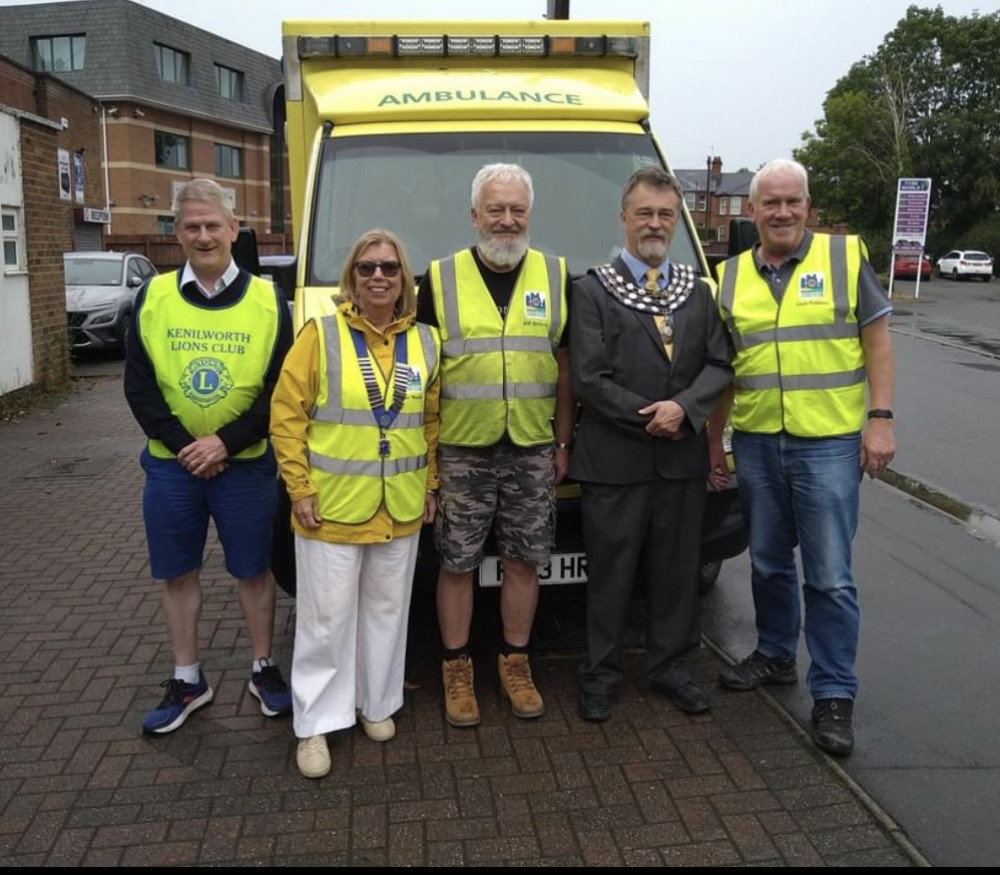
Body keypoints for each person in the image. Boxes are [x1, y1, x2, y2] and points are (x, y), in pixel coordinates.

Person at [712, 158, 895, 756]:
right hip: (759, 442)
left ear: (808, 208)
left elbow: (877, 341)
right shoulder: (730, 276)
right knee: (766, 562)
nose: (782, 212)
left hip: (829, 445)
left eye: (793, 202)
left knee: (831, 577)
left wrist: (880, 419)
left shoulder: (843, 259)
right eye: (770, 203)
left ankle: (835, 693)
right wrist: (715, 441)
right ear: (754, 210)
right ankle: (773, 654)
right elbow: (723, 373)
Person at [124, 178, 294, 734]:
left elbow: (282, 390)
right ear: (178, 232)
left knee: (254, 571)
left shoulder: (270, 300)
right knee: (178, 574)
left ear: (234, 229)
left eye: (212, 226)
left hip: (245, 466)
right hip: (173, 467)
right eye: (192, 226)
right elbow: (140, 387)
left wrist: (226, 442)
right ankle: (188, 677)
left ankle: (263, 667)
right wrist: (188, 448)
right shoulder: (153, 296)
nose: (203, 236)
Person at [271, 229, 440, 779]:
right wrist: (299, 488)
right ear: (352, 275)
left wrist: (431, 484)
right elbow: (287, 417)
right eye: (367, 267)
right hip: (332, 507)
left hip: (402, 505)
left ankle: (377, 703)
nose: (378, 277)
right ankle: (316, 723)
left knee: (388, 613)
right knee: (325, 621)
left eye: (389, 268)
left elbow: (431, 424)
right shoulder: (319, 335)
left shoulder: (428, 342)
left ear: (404, 278)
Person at [570, 166, 733, 722]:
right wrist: (652, 417)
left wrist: (684, 410)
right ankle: (600, 674)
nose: (655, 224)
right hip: (616, 461)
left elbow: (719, 363)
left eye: (665, 214)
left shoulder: (697, 292)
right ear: (624, 218)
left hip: (681, 461)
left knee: (676, 573)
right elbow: (589, 377)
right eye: (645, 213)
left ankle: (671, 668)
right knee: (611, 576)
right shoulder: (591, 290)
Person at [416, 163, 573, 727]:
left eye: (517, 210)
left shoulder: (556, 275)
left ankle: (514, 661)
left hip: (531, 447)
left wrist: (561, 441)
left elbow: (564, 364)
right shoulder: (437, 278)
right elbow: (423, 373)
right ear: (474, 215)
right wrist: (429, 456)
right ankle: (456, 668)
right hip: (462, 449)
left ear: (529, 215)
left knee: (525, 560)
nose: (507, 221)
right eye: (495, 210)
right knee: (455, 562)